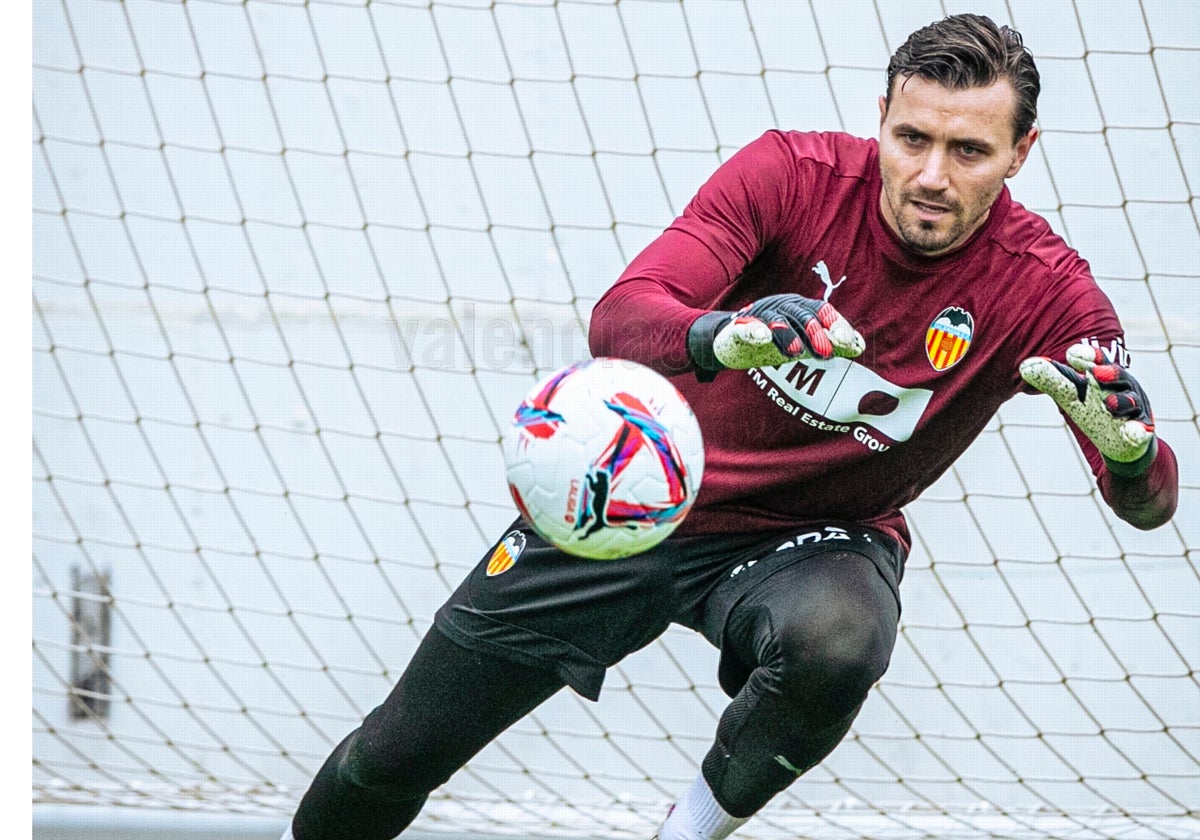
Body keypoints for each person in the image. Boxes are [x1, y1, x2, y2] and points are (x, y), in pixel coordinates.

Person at [280, 13, 1178, 840]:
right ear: (881, 120)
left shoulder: (1049, 291)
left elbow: (1147, 502)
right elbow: (622, 316)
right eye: (912, 139)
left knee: (839, 641)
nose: (933, 175)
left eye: (969, 150)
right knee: (390, 756)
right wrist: (728, 335)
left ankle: (689, 832)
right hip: (630, 501)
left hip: (809, 539)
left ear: (1021, 152)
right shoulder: (789, 174)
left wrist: (1130, 453)